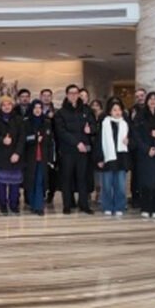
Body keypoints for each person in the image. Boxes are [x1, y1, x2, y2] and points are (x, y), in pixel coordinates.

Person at [55, 84, 95, 215]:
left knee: (82, 177)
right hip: (68, 151)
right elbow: (61, 132)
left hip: (83, 150)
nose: (73, 95)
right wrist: (77, 143)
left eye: (76, 93)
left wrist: (91, 129)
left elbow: (94, 125)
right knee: (67, 178)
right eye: (71, 93)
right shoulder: (60, 113)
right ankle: (67, 205)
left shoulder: (86, 110)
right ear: (67, 95)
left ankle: (84, 204)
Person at [95, 99, 131, 217]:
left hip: (121, 157)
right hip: (108, 158)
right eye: (114, 110)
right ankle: (107, 206)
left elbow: (133, 139)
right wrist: (99, 158)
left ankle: (119, 206)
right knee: (106, 185)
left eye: (119, 110)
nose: (117, 112)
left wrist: (129, 140)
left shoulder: (125, 124)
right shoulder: (104, 123)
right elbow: (99, 142)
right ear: (110, 111)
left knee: (120, 185)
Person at [0, 96, 26, 215]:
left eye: (9, 104)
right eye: (4, 105)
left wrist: (17, 153)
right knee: (1, 184)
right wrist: (2, 140)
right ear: (0, 107)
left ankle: (14, 205)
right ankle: (3, 205)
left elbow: (22, 138)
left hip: (16, 156)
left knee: (15, 184)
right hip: (0, 156)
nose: (6, 107)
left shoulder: (19, 119)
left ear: (12, 106)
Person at [24, 100, 54, 216]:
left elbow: (50, 142)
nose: (37, 110)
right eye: (35, 107)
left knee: (40, 181)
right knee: (31, 181)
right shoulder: (26, 123)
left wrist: (51, 159)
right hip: (30, 158)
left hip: (43, 157)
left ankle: (39, 206)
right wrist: (35, 139)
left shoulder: (47, 123)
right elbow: (24, 139)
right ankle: (33, 204)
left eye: (40, 108)